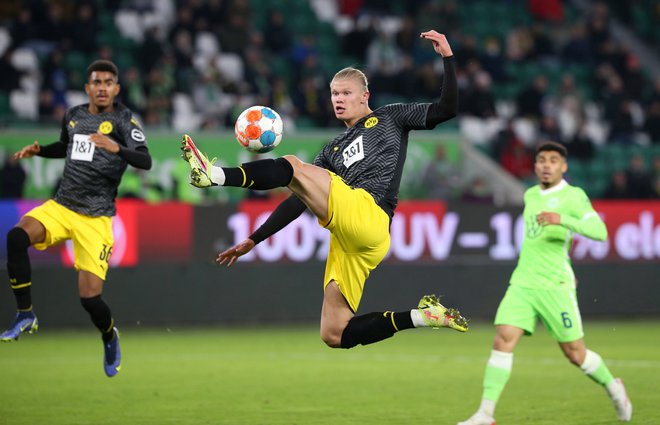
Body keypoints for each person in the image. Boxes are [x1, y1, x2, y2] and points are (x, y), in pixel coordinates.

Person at [181, 30, 468, 349]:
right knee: (334, 333)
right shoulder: (331, 150)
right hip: (353, 240)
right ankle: (423, 316)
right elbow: (298, 201)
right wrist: (254, 239)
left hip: (369, 213)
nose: (338, 99)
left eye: (346, 93)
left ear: (365, 96)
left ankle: (216, 175)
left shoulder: (391, 117)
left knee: (292, 164)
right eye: (334, 94)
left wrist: (448, 58)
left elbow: (446, 109)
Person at [457, 142, 632, 425]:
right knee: (503, 338)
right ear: (535, 166)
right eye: (541, 160)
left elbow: (599, 231)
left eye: (553, 160)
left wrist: (561, 219)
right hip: (524, 281)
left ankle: (614, 387)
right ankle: (485, 414)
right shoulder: (530, 194)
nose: (547, 165)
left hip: (556, 285)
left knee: (576, 354)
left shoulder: (574, 196)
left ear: (564, 167)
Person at [1, 60, 152, 378]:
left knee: (90, 299)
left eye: (108, 82)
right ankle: (25, 314)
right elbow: (67, 147)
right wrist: (40, 150)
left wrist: (117, 148)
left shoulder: (125, 121)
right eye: (96, 82)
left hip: (95, 219)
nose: (102, 87)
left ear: (116, 89)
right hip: (62, 205)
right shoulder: (74, 116)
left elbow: (146, 160)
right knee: (16, 238)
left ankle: (110, 336)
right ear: (87, 88)